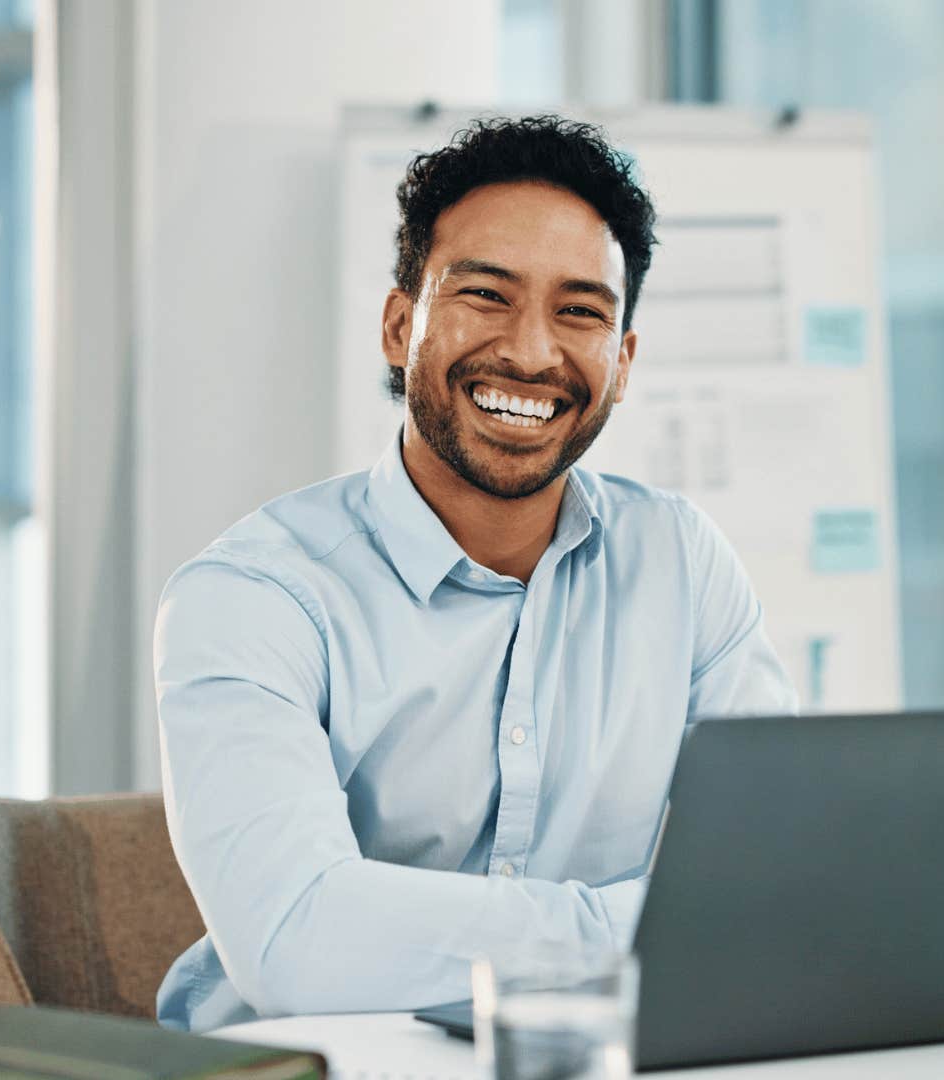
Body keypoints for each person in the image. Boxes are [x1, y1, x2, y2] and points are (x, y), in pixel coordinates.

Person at [153, 115, 795, 1030]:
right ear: (398, 325)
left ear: (622, 363)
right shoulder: (252, 597)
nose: (531, 353)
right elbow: (300, 943)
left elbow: (779, 879)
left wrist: (708, 922)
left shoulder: (681, 564)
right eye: (487, 296)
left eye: (580, 311)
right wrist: (653, 924)